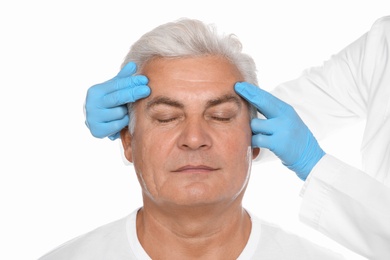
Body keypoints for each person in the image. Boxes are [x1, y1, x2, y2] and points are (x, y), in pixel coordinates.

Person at [84, 16, 390, 259]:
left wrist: (313, 162)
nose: (194, 138)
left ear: (252, 146)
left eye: (219, 117)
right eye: (165, 117)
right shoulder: (383, 42)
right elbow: (279, 113)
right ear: (128, 140)